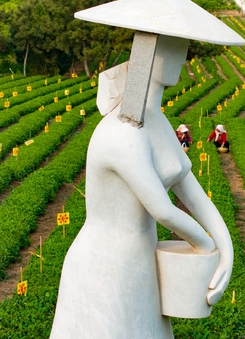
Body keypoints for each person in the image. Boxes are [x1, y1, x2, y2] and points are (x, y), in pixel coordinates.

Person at [51, 36, 233, 338]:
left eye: (183, 47)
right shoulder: (122, 132)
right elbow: (163, 210)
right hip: (106, 266)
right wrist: (207, 248)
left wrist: (226, 249)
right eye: (169, 48)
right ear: (146, 54)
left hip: (142, 261)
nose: (181, 55)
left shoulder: (157, 121)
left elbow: (189, 187)